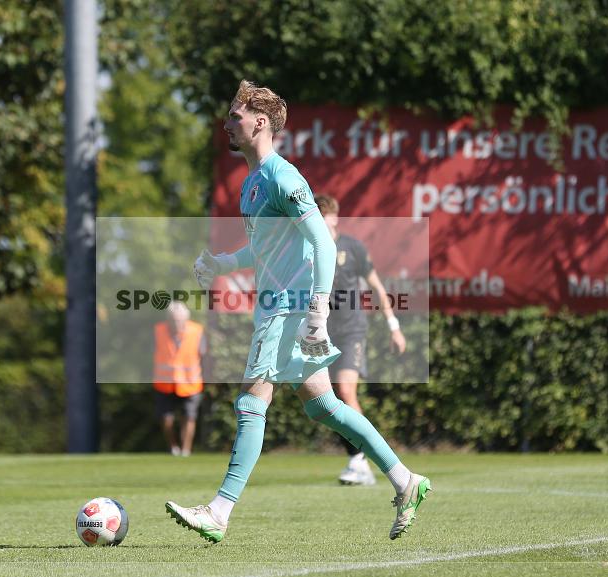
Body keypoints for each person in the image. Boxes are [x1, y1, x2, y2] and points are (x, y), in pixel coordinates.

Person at [165, 80, 430, 543]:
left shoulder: (282, 177)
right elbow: (264, 249)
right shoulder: (252, 182)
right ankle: (405, 480)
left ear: (260, 123)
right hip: (277, 308)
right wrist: (223, 263)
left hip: (287, 310)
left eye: (235, 116)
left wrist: (317, 313)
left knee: (251, 402)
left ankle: (219, 511)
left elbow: (323, 244)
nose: (227, 123)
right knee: (325, 406)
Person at [314, 194, 407, 486]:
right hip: (323, 333)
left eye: (324, 217)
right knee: (326, 401)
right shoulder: (309, 249)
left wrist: (393, 326)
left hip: (351, 330)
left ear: (334, 218)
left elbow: (377, 288)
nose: (320, 223)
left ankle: (361, 460)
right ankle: (358, 461)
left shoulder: (352, 248)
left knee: (346, 390)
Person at [152, 301, 205, 457]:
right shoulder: (158, 331)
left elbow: (204, 355)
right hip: (165, 384)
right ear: (168, 319)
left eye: (180, 320)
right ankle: (173, 447)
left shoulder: (197, 331)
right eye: (174, 320)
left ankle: (186, 450)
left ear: (186, 318)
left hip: (190, 383)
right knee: (166, 418)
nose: (177, 323)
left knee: (189, 416)